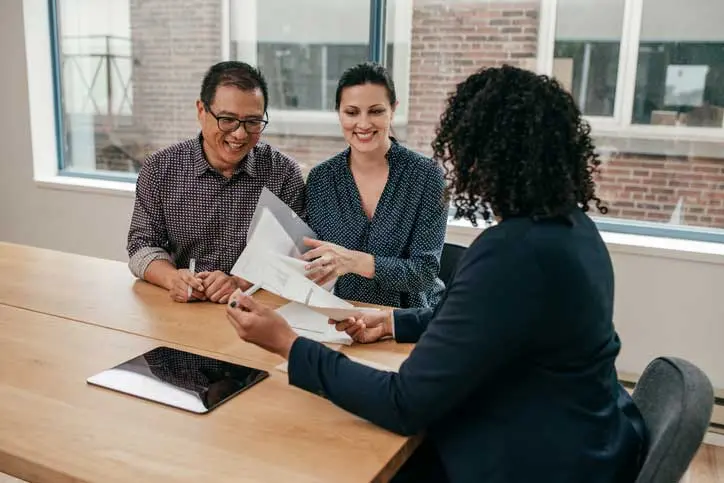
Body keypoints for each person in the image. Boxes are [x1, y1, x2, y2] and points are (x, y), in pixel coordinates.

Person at [225, 65, 649, 482]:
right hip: (592, 437)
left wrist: (287, 343)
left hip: (541, 461)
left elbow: (403, 403)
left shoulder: (511, 254)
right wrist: (393, 321)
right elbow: (487, 321)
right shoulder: (572, 230)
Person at [127, 61, 305, 304]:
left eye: (253, 122)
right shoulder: (159, 169)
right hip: (180, 311)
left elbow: (293, 255)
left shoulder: (283, 173)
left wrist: (239, 281)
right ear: (201, 110)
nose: (240, 134)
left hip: (256, 311)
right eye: (227, 119)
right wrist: (173, 279)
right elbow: (141, 245)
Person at [302, 62, 447, 309]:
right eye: (352, 112)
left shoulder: (427, 176)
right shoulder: (320, 179)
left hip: (407, 322)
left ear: (393, 110)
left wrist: (355, 262)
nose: (364, 123)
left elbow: (424, 273)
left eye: (376, 111)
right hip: (339, 317)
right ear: (338, 113)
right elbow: (312, 262)